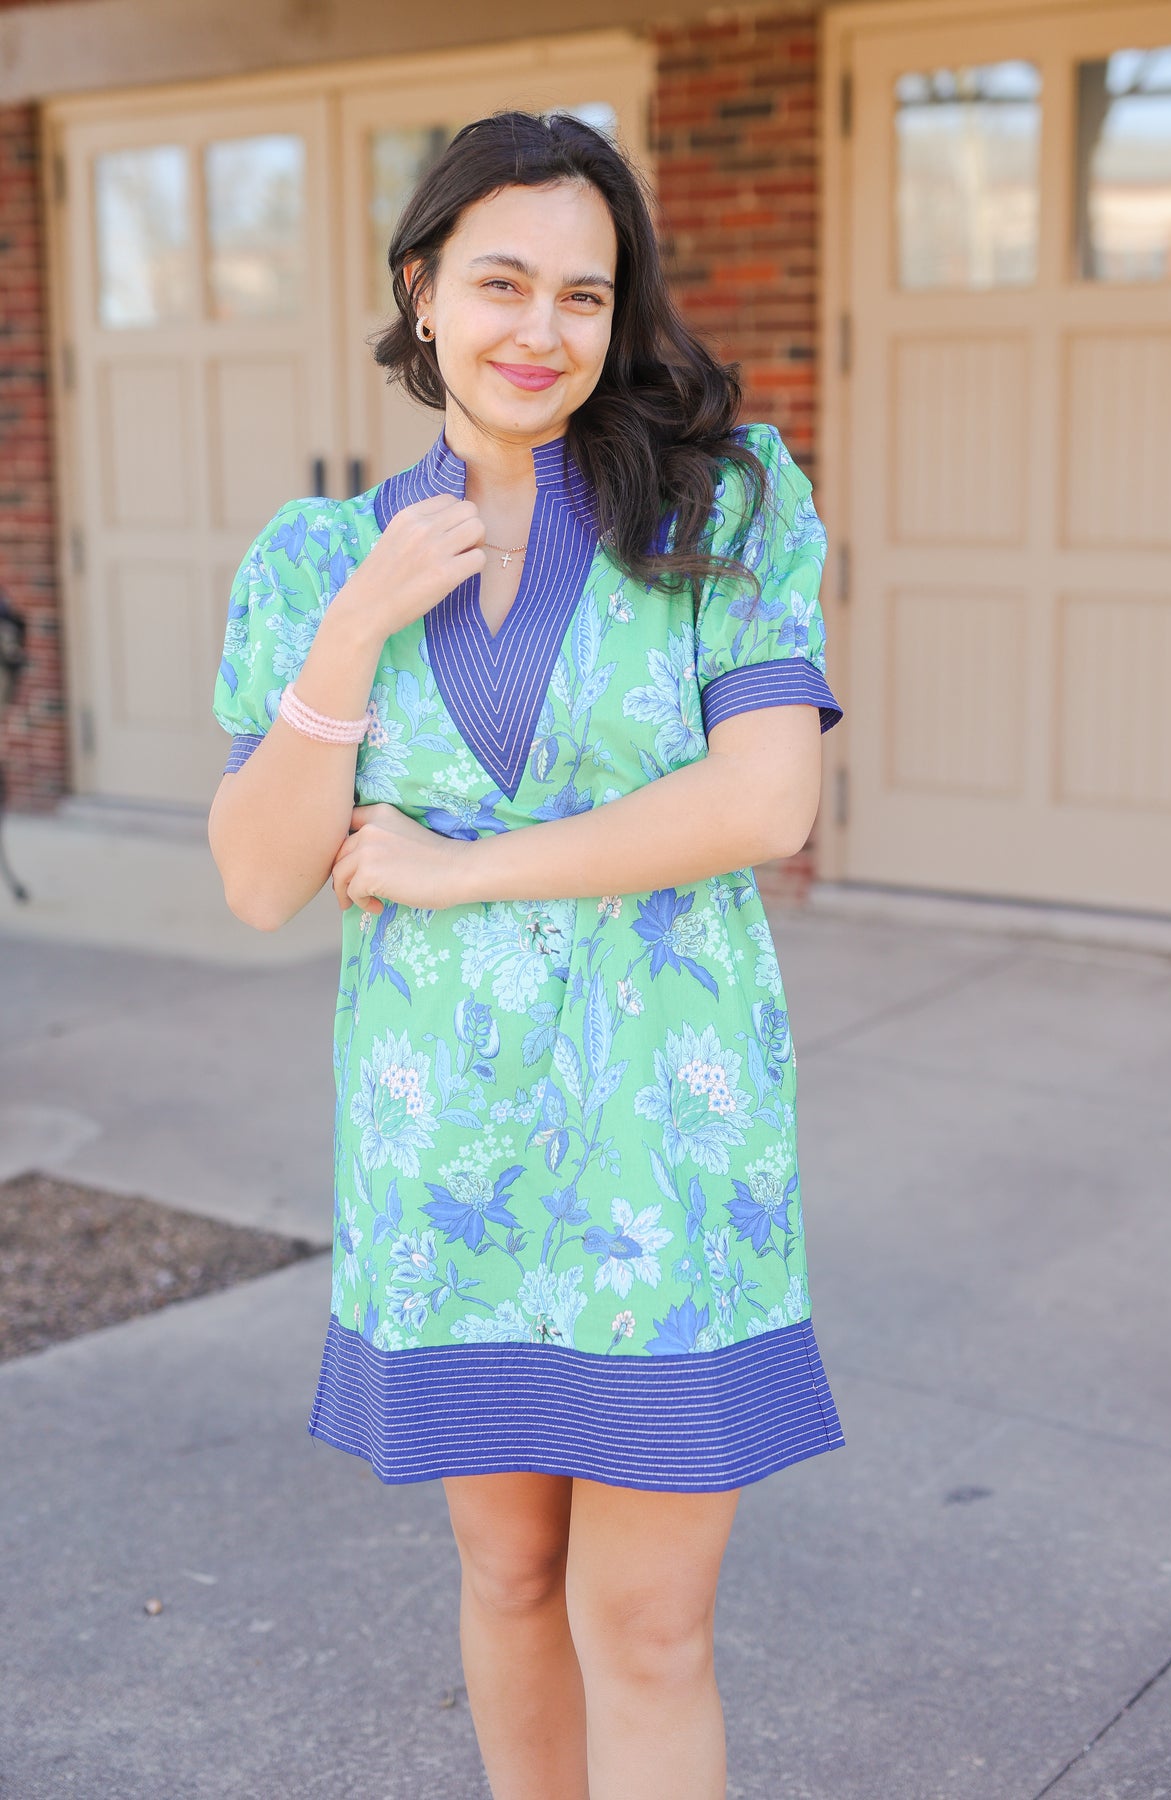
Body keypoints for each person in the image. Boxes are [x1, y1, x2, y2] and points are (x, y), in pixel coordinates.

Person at [208, 108, 845, 1800]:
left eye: (583, 292)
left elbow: (766, 801)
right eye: (500, 282)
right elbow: (263, 876)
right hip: (447, 1168)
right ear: (421, 291)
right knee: (506, 1578)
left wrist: (455, 872)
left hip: (667, 1158)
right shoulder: (316, 563)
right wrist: (355, 630)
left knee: (645, 1629)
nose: (540, 332)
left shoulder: (727, 503)